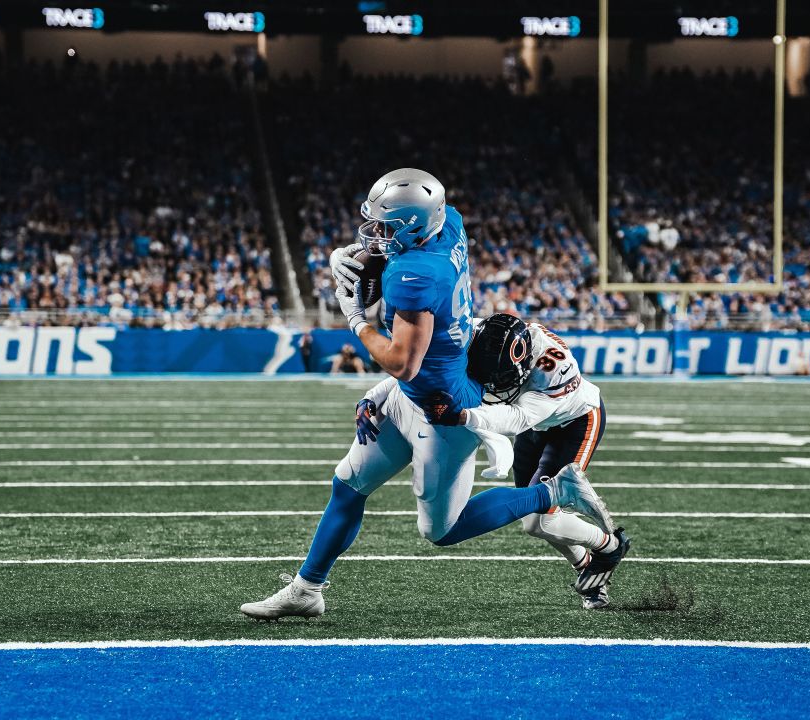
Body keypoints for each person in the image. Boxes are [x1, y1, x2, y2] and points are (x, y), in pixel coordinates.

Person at [240, 169, 613, 620]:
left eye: (388, 226)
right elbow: (397, 304)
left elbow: (402, 362)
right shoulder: (448, 222)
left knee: (442, 530)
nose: (377, 234)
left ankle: (554, 491)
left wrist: (356, 319)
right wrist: (352, 253)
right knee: (348, 485)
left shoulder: (415, 273)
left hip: (443, 409)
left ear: (416, 225)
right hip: (414, 392)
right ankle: (307, 588)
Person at [367, 314, 630, 609]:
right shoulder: (478, 333)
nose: (493, 383)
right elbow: (424, 358)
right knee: (536, 513)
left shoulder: (552, 368)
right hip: (535, 425)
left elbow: (517, 418)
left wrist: (463, 416)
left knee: (539, 520)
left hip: (574, 421)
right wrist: (376, 395)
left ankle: (610, 546)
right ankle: (587, 569)